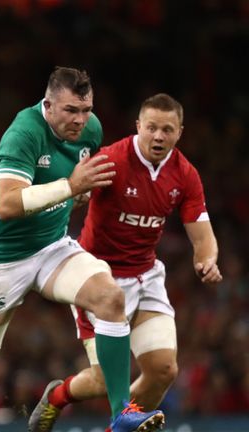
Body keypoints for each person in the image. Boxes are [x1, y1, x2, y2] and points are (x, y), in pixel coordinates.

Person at [0, 67, 165, 432]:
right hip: (3, 258)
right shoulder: (23, 133)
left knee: (110, 298)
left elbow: (79, 188)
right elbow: (6, 205)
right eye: (71, 111)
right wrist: (70, 186)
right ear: (48, 105)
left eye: (86, 110)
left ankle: (122, 414)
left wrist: (78, 193)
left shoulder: (91, 130)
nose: (80, 120)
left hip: (52, 247)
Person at [28, 93, 222, 431]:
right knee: (104, 380)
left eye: (167, 130)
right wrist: (76, 194)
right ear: (138, 127)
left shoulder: (185, 175)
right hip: (97, 281)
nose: (158, 136)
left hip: (145, 275)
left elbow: (202, 235)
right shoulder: (112, 160)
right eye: (151, 128)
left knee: (164, 370)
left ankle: (118, 426)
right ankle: (57, 396)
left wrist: (206, 260)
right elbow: (71, 193)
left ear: (180, 132)